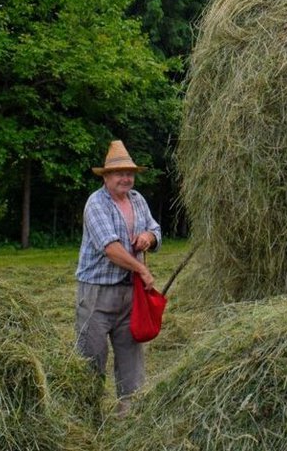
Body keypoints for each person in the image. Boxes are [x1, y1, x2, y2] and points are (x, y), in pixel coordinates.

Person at [75, 140, 161, 414]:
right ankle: (88, 415)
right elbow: (111, 249)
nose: (126, 178)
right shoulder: (96, 203)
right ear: (106, 176)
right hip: (97, 294)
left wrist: (148, 237)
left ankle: (130, 413)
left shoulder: (137, 200)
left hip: (128, 293)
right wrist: (142, 269)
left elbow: (155, 229)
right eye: (119, 173)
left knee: (130, 355)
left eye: (130, 173)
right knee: (91, 356)